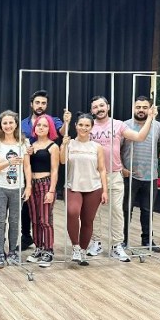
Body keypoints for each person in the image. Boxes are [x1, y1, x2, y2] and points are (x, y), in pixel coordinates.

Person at [87, 95, 157, 262]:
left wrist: (150, 118)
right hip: (93, 175)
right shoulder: (88, 126)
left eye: (102, 105)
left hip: (114, 175)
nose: (99, 109)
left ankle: (116, 245)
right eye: (95, 107)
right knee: (94, 212)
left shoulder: (118, 125)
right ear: (92, 111)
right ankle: (96, 242)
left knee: (117, 211)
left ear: (108, 107)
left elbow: (139, 137)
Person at [121, 96, 160, 253]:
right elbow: (117, 149)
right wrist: (122, 169)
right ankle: (123, 240)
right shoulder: (125, 125)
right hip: (129, 175)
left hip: (151, 176)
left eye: (145, 107)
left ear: (150, 109)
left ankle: (147, 240)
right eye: (138, 107)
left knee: (147, 210)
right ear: (133, 108)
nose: (141, 110)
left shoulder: (157, 125)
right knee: (126, 210)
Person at [19, 90, 65, 252]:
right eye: (37, 102)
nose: (40, 106)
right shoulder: (23, 125)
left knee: (45, 218)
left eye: (43, 103)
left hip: (45, 177)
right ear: (31, 104)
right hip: (28, 176)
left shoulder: (53, 123)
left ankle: (48, 249)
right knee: (31, 214)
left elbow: (63, 133)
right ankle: (31, 241)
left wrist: (67, 122)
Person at [60, 114, 108, 266]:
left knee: (88, 220)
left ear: (92, 127)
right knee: (72, 212)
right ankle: (75, 247)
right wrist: (63, 145)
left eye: (87, 125)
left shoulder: (96, 147)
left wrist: (105, 190)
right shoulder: (69, 143)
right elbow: (62, 161)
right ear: (75, 125)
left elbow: (102, 169)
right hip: (73, 186)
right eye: (81, 125)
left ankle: (82, 250)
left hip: (93, 187)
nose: (84, 128)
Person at [0, 110, 32, 268]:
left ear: (16, 124)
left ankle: (12, 252)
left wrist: (28, 186)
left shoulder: (23, 143)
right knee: (0, 221)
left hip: (17, 188)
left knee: (14, 221)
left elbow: (27, 167)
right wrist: (10, 162)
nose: (8, 126)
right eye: (5, 123)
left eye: (11, 122)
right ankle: (0, 252)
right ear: (0, 125)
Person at [25, 114, 60, 267]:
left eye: (45, 125)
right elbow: (27, 166)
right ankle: (38, 247)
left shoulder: (53, 147)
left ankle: (48, 250)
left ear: (50, 128)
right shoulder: (31, 146)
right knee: (35, 219)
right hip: (32, 184)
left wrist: (51, 191)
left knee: (45, 220)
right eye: (39, 125)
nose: (41, 128)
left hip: (46, 184)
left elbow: (55, 170)